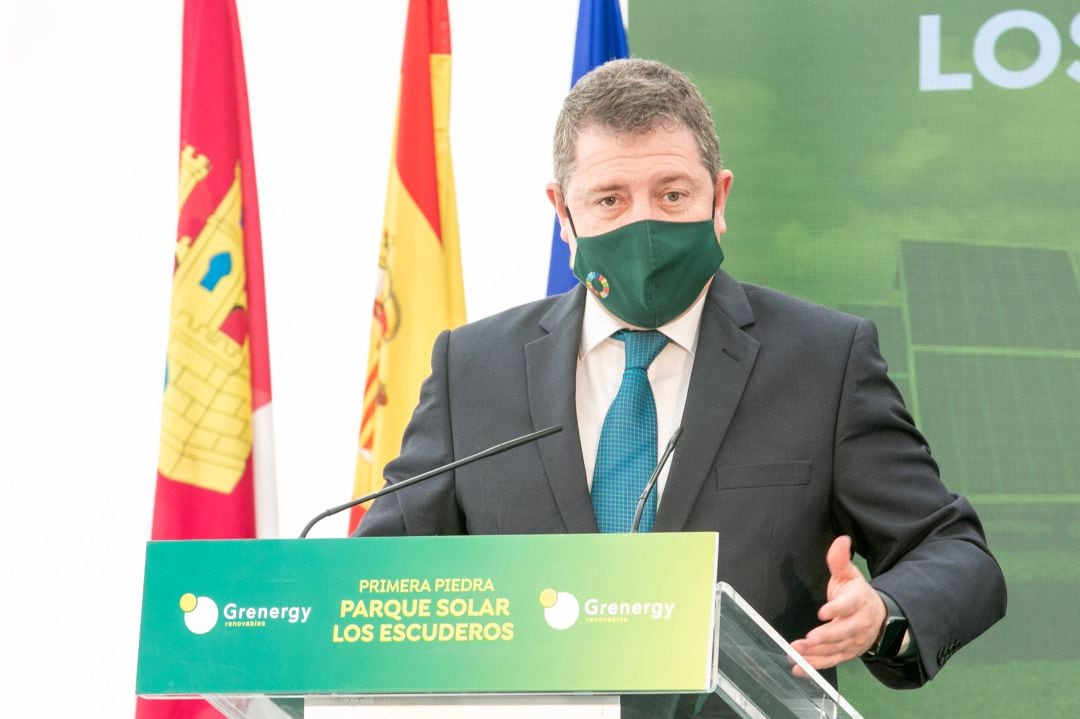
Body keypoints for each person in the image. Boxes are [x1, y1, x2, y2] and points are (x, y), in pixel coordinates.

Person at [355, 58, 1006, 717]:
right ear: (562, 211)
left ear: (719, 199)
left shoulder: (824, 359)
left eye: (672, 195)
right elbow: (374, 583)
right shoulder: (473, 368)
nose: (646, 228)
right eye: (610, 199)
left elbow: (953, 550)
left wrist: (884, 612)